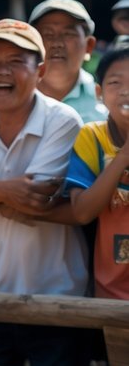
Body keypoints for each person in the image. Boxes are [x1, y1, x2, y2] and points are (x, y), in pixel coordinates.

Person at [0, 19, 88, 366]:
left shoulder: (63, 119)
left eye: (15, 61)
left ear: (39, 71)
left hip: (55, 293)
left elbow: (36, 199)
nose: (2, 71)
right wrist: (2, 191)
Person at [67, 47, 129, 300]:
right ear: (99, 93)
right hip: (112, 292)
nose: (126, 90)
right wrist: (124, 156)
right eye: (115, 82)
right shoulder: (92, 137)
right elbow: (82, 212)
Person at [30, 0, 104, 123]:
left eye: (68, 34)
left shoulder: (105, 100)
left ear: (89, 45)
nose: (57, 43)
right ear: (32, 43)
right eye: (48, 34)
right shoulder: (13, 96)